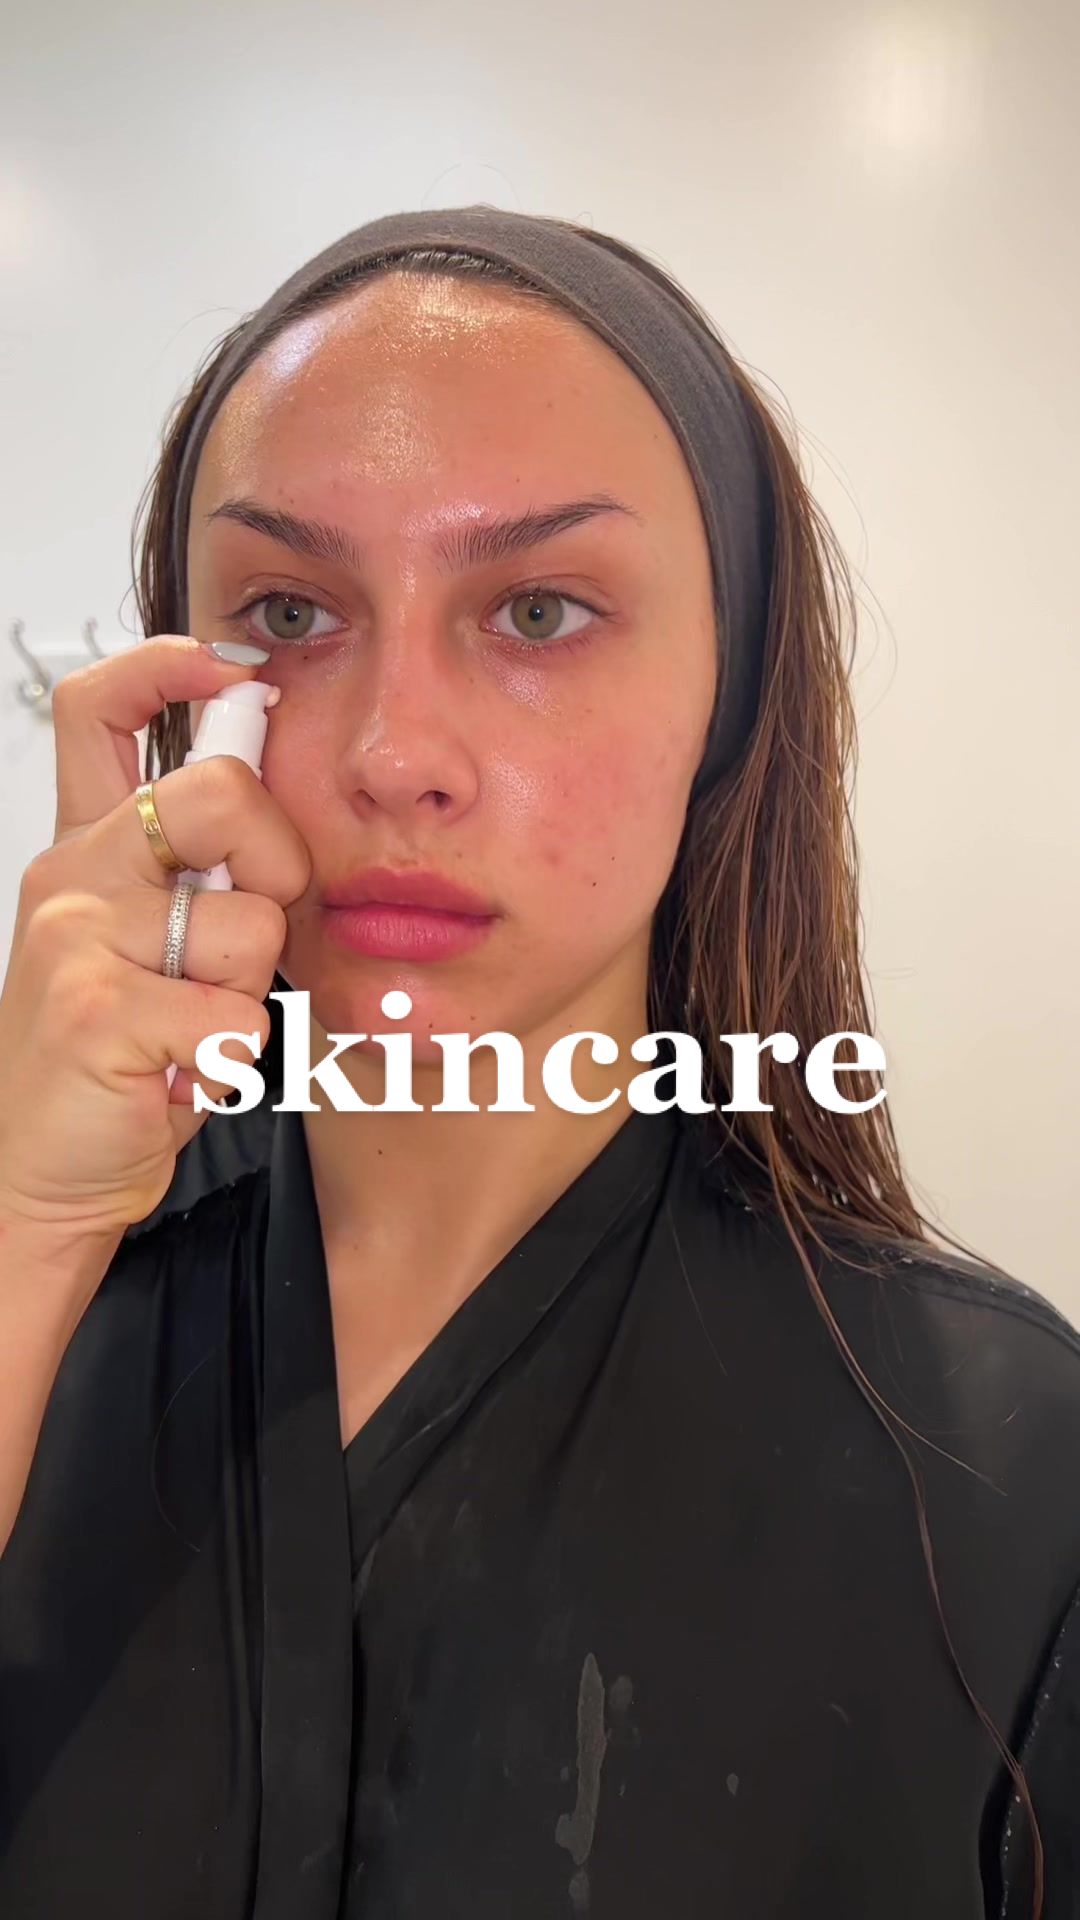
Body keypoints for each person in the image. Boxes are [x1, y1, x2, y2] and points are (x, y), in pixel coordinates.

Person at [0, 206, 1075, 1920]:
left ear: (730, 699)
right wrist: (28, 1232)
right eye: (291, 609)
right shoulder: (36, 1286)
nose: (393, 754)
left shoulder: (1004, 1473)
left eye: (542, 610)